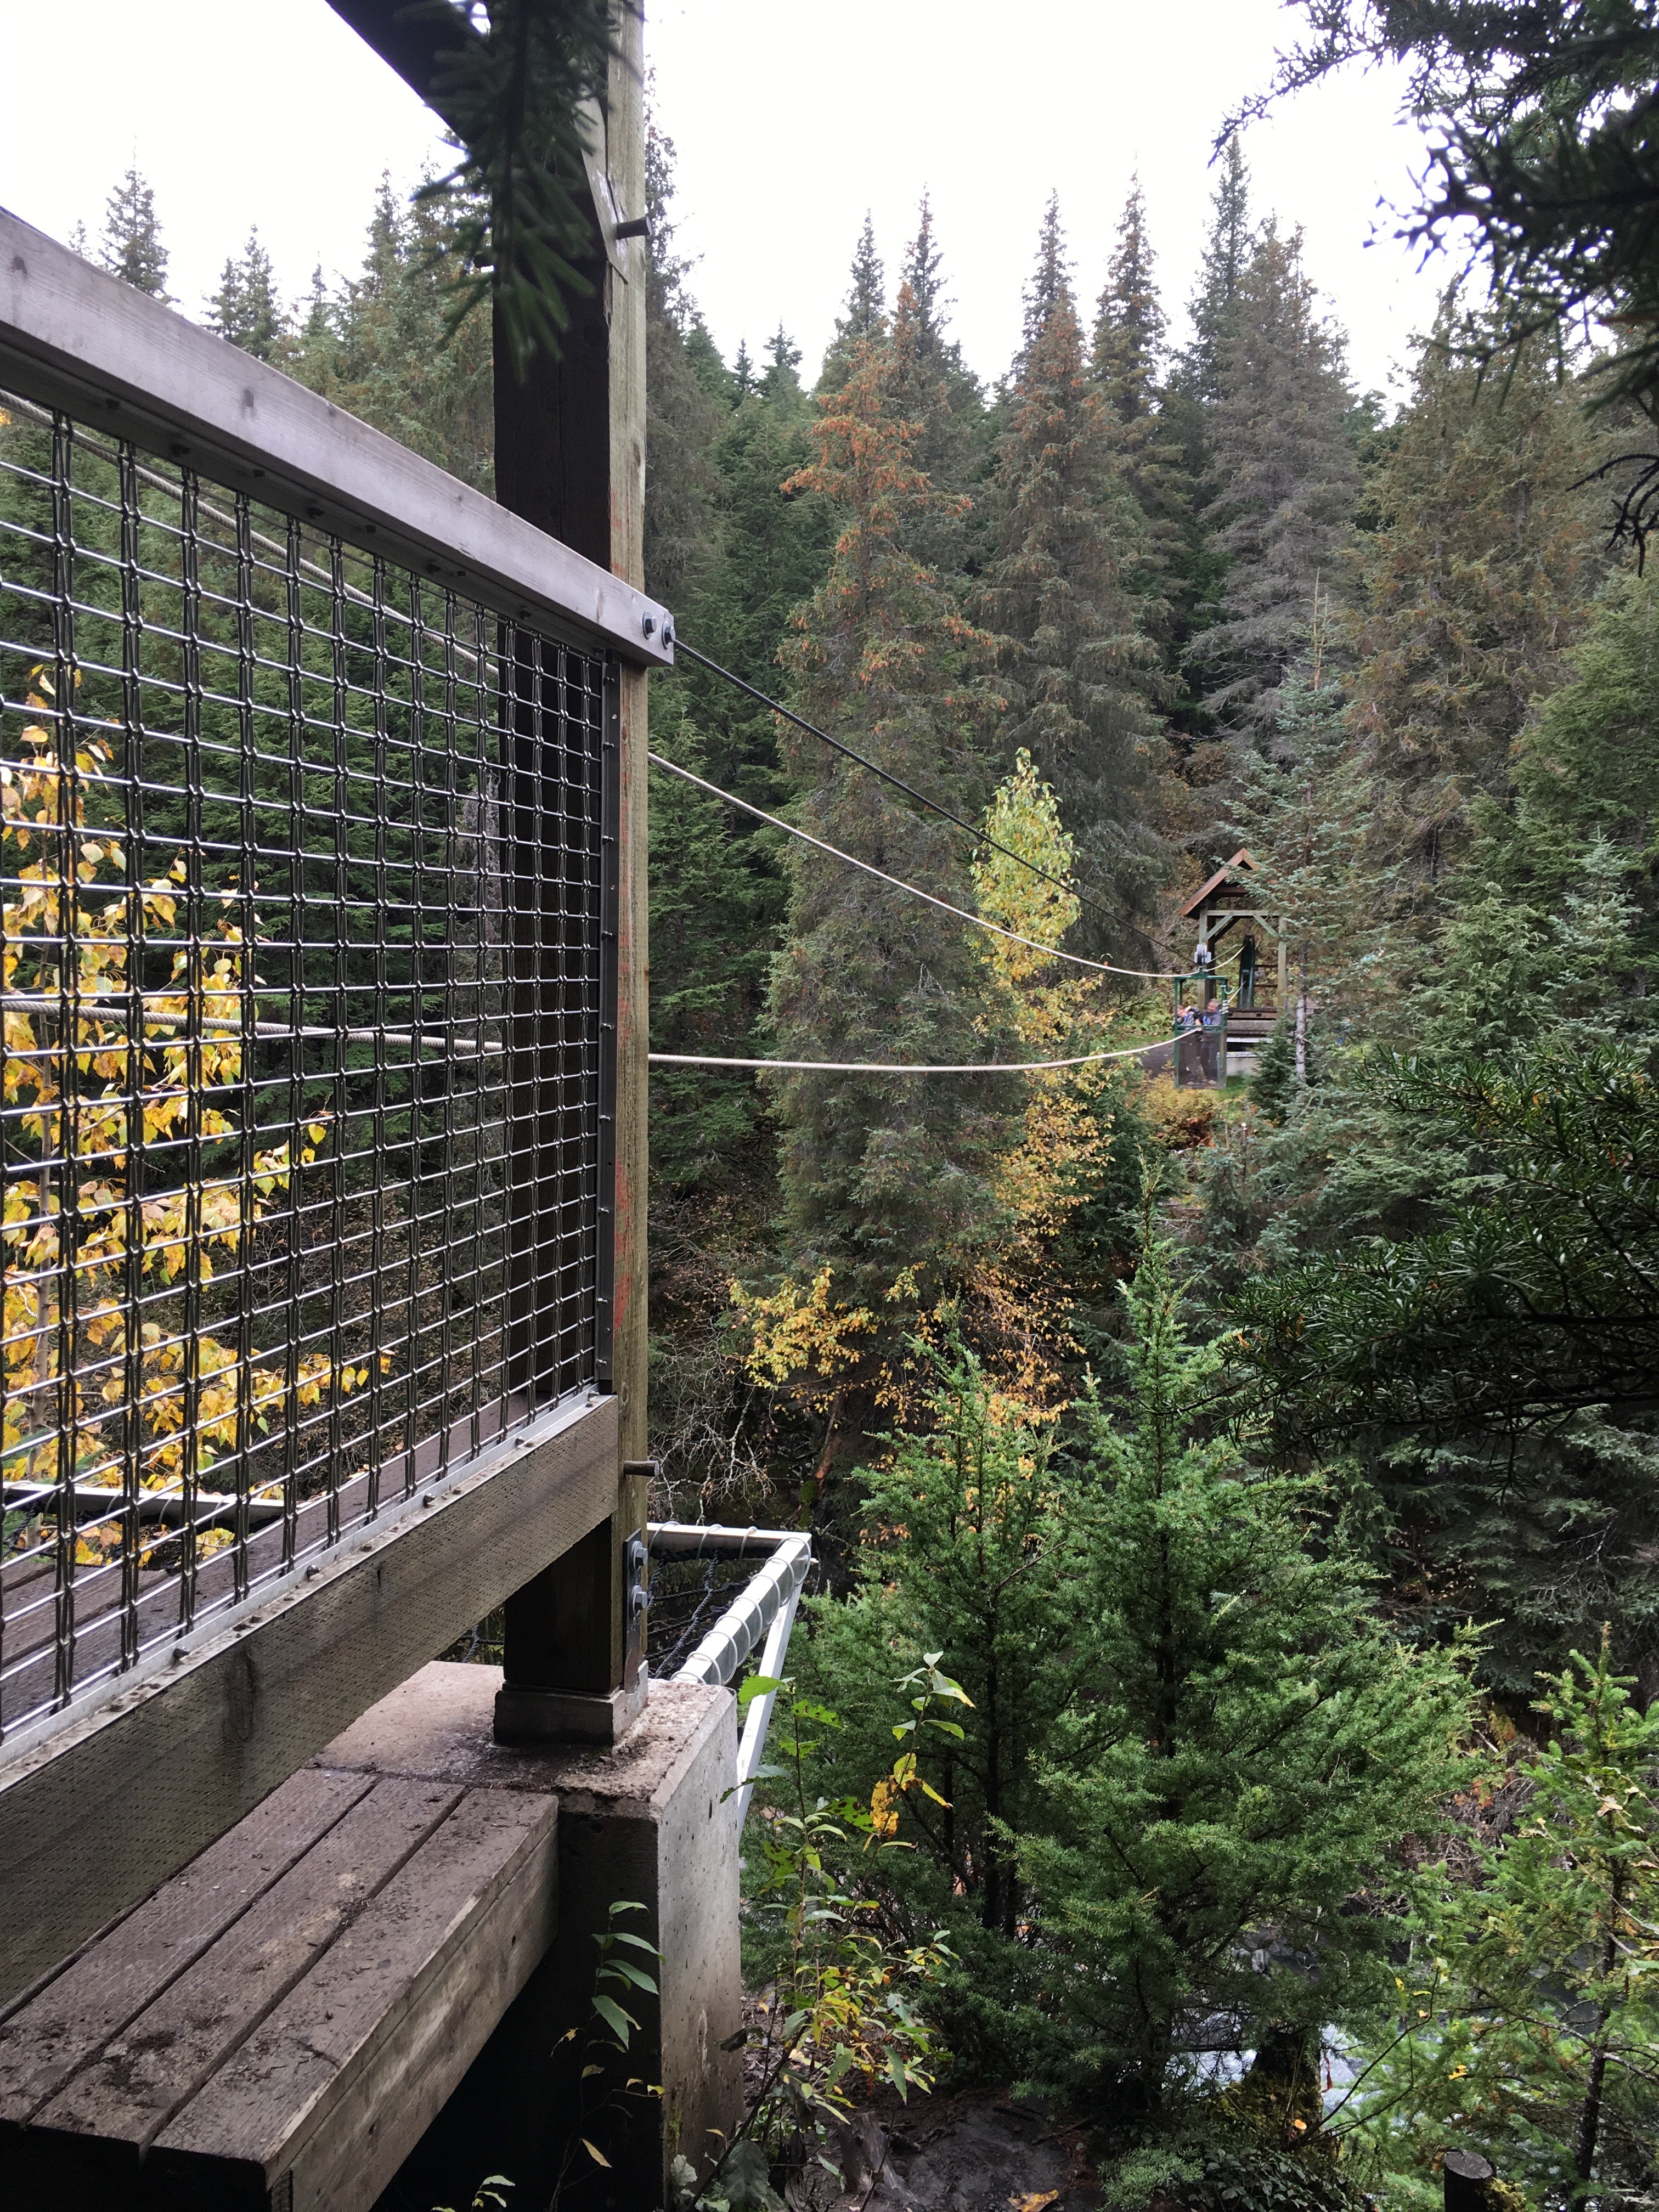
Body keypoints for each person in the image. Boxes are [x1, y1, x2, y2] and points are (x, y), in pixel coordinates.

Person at [1238, 932, 1257, 1009]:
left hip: (1248, 968)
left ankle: (1247, 1005)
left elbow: (1253, 949)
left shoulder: (1250, 950)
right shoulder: (1245, 950)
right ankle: (1242, 1006)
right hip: (1245, 967)